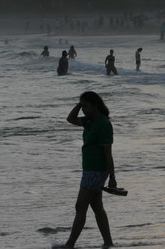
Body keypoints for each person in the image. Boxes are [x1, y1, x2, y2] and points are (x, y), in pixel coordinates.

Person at [63, 91, 115, 248]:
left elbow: (108, 154)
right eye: (82, 106)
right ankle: (108, 243)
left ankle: (69, 244)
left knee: (80, 205)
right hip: (89, 169)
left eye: (86, 106)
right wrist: (79, 104)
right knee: (97, 207)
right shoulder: (89, 121)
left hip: (97, 170)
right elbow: (70, 119)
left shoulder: (103, 124)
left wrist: (112, 177)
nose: (83, 109)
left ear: (95, 105)